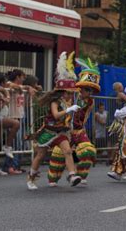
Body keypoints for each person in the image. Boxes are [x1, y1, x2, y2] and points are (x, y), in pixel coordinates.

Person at [27, 52, 82, 190]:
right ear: (61, 92)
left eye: (71, 93)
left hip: (60, 133)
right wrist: (69, 110)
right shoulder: (55, 101)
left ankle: (72, 175)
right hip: (49, 131)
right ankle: (31, 179)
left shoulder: (69, 102)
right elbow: (56, 115)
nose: (70, 95)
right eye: (68, 92)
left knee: (68, 151)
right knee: (40, 155)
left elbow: (65, 120)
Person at [48, 58, 99, 186]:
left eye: (90, 90)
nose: (88, 92)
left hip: (79, 130)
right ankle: (53, 178)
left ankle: (80, 176)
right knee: (59, 155)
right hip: (65, 130)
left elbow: (84, 116)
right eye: (86, 89)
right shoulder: (71, 96)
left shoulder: (90, 102)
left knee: (88, 150)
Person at [0, 72, 21, 174]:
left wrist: (5, 95)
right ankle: (7, 146)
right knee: (15, 124)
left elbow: (3, 90)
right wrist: (4, 100)